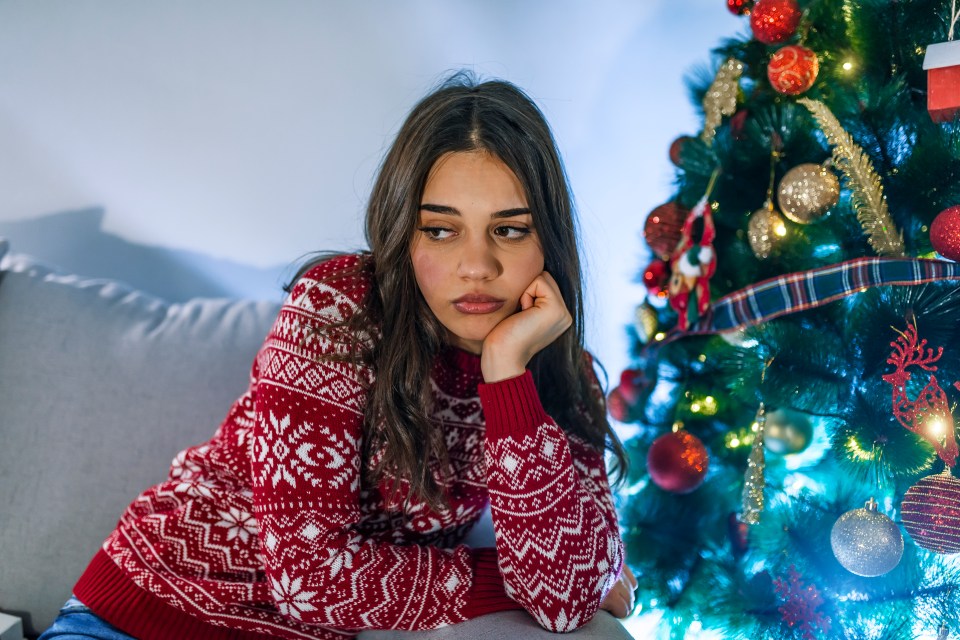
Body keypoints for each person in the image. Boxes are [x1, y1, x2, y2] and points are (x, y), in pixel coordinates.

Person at [39, 73, 637, 640]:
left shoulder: (558, 371)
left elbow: (566, 598)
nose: (476, 266)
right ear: (403, 232)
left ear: (548, 239)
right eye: (440, 230)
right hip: (139, 616)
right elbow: (309, 580)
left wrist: (508, 376)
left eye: (509, 230)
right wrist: (510, 577)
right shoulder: (339, 309)